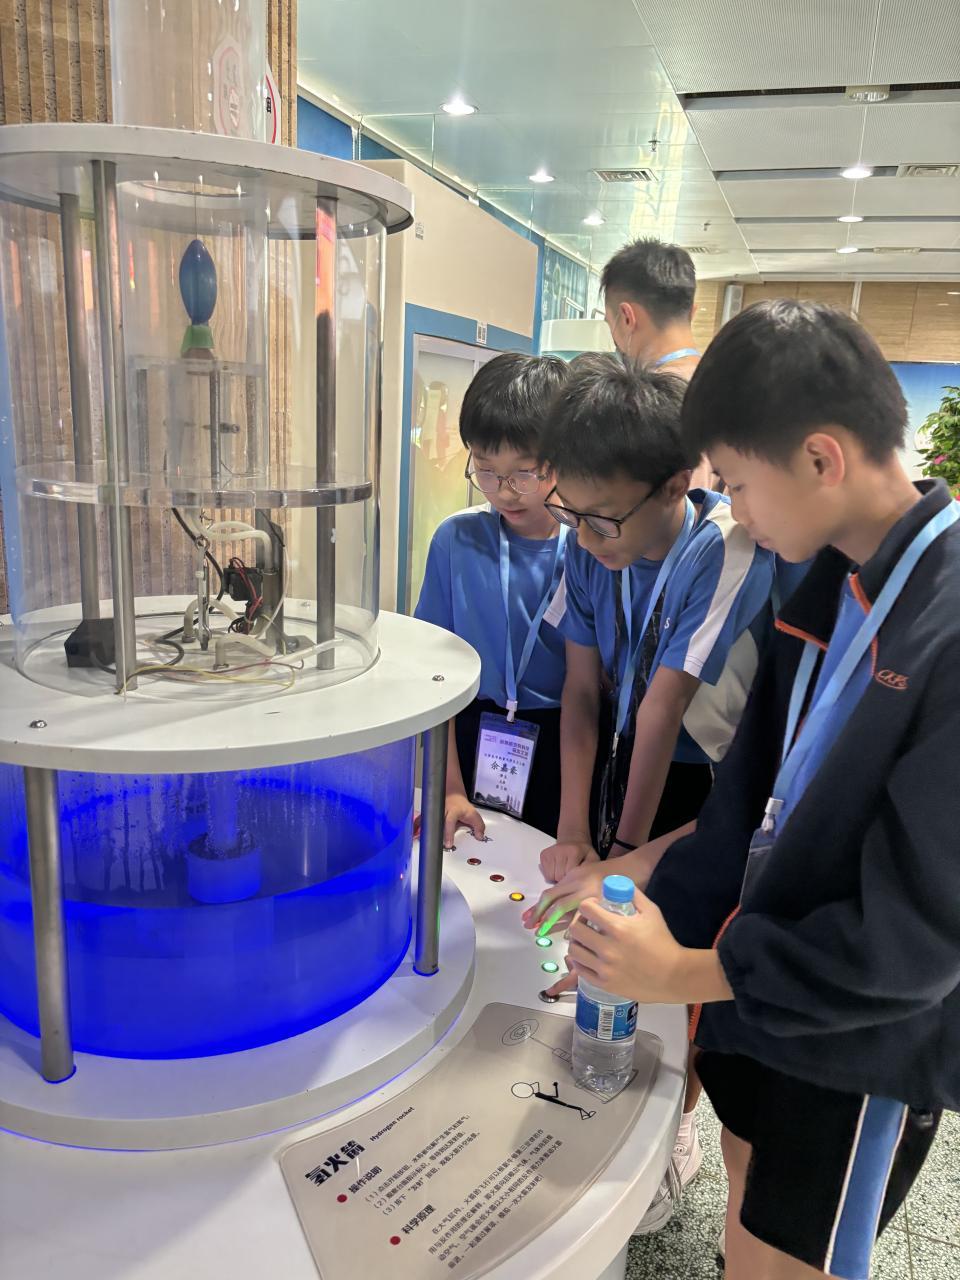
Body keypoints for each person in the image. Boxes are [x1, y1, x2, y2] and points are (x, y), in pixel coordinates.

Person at [531, 301, 957, 1280]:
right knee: (744, 1206)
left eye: (737, 485)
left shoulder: (944, 623)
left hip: (854, 1036)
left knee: (789, 1254)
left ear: (820, 458)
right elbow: (743, 810)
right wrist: (631, 898)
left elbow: (911, 941)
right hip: (759, 988)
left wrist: (679, 973)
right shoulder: (827, 584)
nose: (739, 515)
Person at [415, 352, 570, 845]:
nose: (505, 492)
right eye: (485, 471)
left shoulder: (588, 548)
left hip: (563, 740)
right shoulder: (456, 539)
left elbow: (592, 688)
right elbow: (434, 675)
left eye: (524, 473)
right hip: (468, 732)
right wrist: (448, 788)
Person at [602, 237, 712, 489]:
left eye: (609, 322)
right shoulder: (727, 383)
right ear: (692, 312)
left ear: (627, 317)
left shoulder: (641, 402)